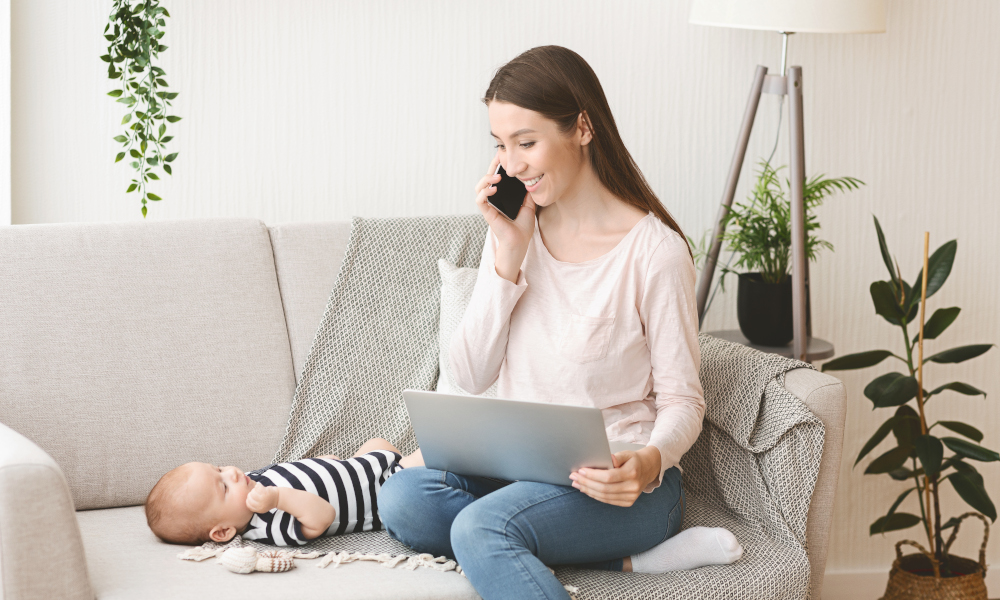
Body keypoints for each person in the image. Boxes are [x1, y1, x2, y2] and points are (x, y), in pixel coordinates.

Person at [378, 46, 740, 600]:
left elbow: (684, 400)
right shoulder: (512, 231)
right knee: (403, 498)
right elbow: (470, 375)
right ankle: (611, 560)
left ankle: (506, 539)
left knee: (479, 527)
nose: (512, 164)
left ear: (583, 128)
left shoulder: (655, 254)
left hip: (619, 486)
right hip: (517, 472)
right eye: (501, 146)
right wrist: (508, 252)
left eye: (526, 143)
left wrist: (648, 463)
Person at [144, 437, 423, 546]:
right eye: (224, 486)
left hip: (359, 465)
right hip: (383, 489)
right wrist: (278, 498)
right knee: (424, 457)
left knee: (376, 442)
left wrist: (322, 464)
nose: (231, 473)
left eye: (218, 468)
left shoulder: (248, 485)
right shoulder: (268, 527)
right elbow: (323, 515)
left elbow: (288, 472)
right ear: (223, 531)